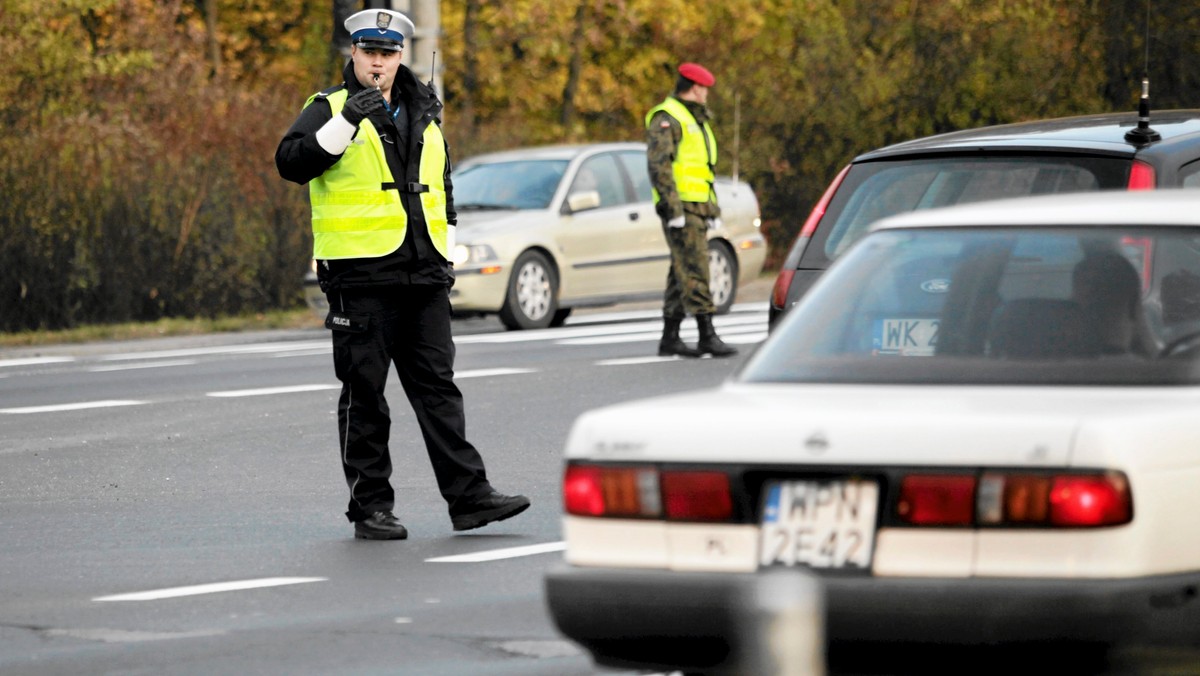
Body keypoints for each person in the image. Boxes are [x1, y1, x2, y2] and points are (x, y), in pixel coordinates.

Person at [275, 9, 529, 540]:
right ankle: (370, 508)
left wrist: (445, 255)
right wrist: (345, 125)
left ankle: (470, 498)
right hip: (360, 276)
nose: (378, 62)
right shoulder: (329, 107)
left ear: (401, 58)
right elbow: (291, 163)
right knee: (365, 394)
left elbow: (443, 187)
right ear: (354, 53)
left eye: (388, 54)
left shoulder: (425, 107)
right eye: (369, 52)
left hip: (423, 273)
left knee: (439, 390)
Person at [645, 62, 737, 358]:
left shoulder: (695, 119)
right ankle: (706, 334)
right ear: (695, 88)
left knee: (681, 269)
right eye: (705, 89)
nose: (707, 94)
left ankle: (670, 337)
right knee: (696, 268)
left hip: (697, 206)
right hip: (681, 207)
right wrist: (673, 211)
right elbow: (660, 167)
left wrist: (711, 207)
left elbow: (700, 169)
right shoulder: (668, 117)